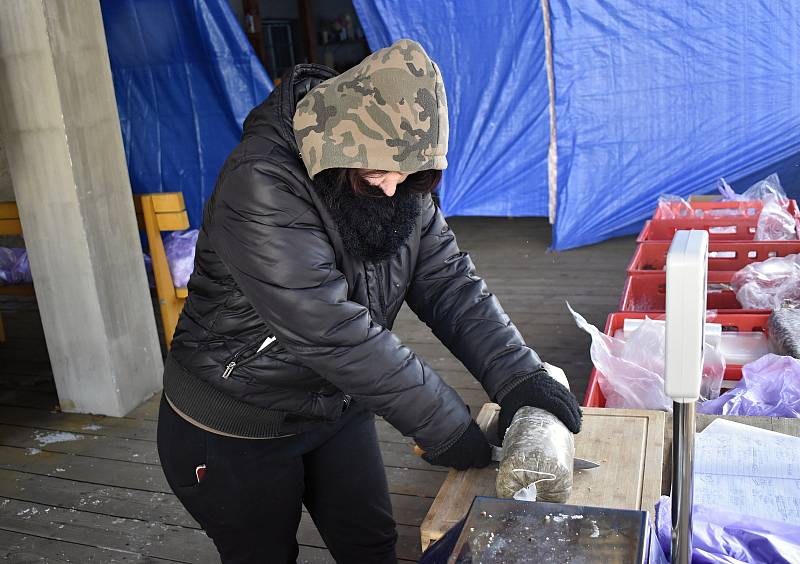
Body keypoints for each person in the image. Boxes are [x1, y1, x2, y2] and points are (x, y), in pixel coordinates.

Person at [156, 39, 581, 564]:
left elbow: (447, 279)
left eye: (413, 175)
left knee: (372, 547)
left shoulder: (398, 178)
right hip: (235, 423)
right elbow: (331, 331)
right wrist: (448, 427)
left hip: (334, 402)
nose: (393, 188)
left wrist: (518, 377)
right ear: (338, 148)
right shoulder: (261, 183)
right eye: (379, 172)